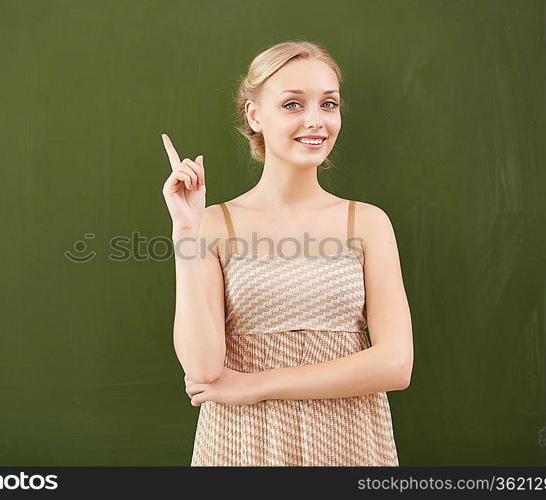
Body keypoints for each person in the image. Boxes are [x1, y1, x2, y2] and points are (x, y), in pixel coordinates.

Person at [161, 40, 413, 466]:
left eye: (328, 104)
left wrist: (258, 384)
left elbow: (395, 365)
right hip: (242, 441)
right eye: (293, 104)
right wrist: (186, 232)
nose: (316, 121)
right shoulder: (214, 224)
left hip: (348, 439)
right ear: (255, 115)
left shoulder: (368, 223)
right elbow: (202, 369)